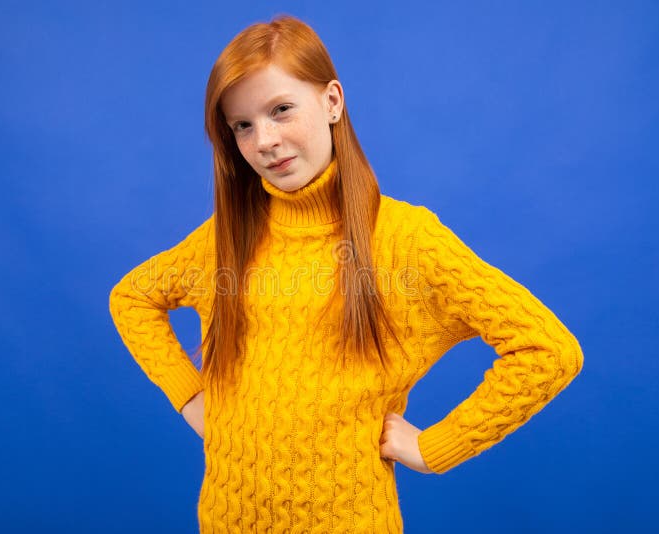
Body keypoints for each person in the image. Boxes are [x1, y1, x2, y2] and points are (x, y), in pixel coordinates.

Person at [109, 14, 583, 533]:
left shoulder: (405, 238)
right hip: (227, 517)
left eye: (280, 110)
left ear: (332, 101)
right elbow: (132, 298)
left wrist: (434, 447)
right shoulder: (227, 236)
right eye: (242, 125)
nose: (263, 140)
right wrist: (193, 398)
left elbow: (549, 350)